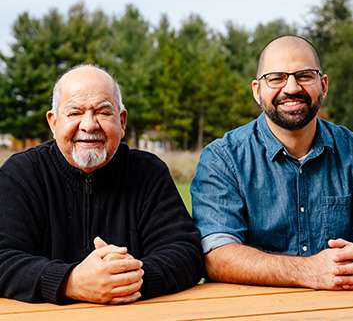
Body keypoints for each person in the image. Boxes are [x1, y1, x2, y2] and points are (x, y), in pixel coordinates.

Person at [0, 65, 204, 304]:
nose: (89, 125)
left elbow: (186, 252)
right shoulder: (21, 174)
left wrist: (125, 279)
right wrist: (71, 281)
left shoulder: (148, 173)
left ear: (122, 121)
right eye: (74, 113)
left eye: (103, 113)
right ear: (53, 123)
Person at [191, 35, 353, 291]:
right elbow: (216, 255)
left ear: (323, 85)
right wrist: (309, 271)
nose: (291, 88)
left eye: (305, 76)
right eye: (276, 78)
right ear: (257, 91)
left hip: (335, 309)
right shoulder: (223, 158)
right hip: (248, 312)